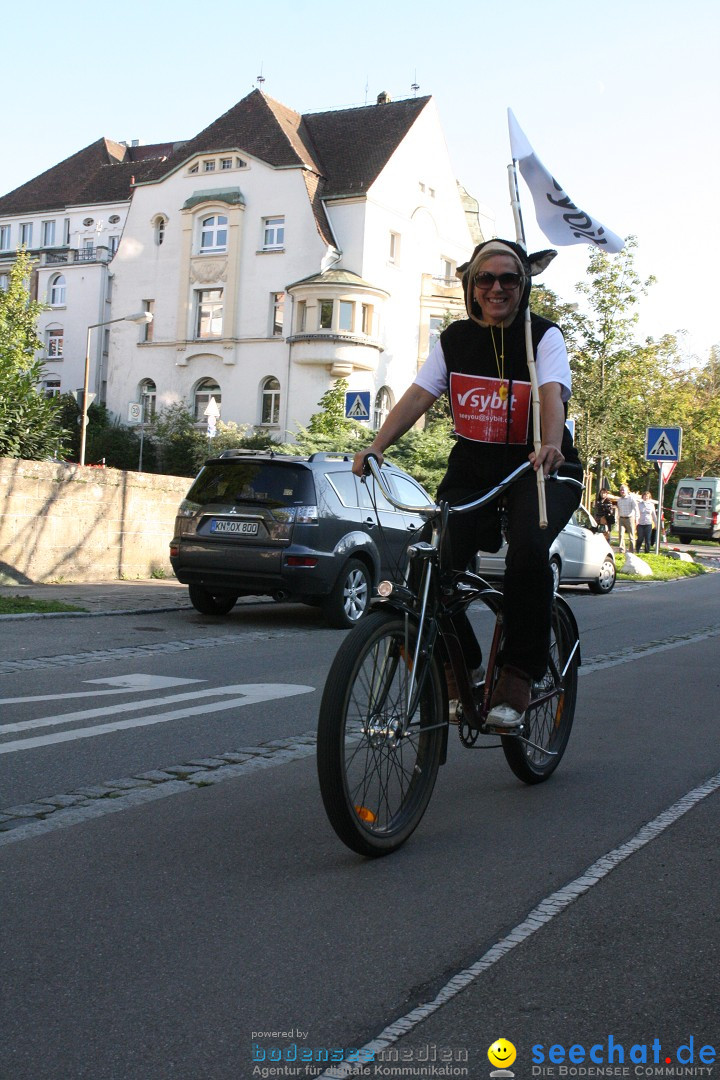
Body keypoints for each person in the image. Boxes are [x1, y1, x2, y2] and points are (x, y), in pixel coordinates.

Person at [353, 238, 583, 730]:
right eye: (486, 278)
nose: (497, 287)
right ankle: (464, 667)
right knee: (431, 561)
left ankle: (519, 673)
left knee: (528, 548)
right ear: (471, 287)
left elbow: (552, 393)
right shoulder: (455, 339)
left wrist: (549, 442)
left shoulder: (542, 336)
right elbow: (419, 395)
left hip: (540, 468)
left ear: (523, 286)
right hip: (475, 470)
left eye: (509, 279)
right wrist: (377, 445)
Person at [615, 484, 639, 553]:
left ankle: (631, 551)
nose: (622, 491)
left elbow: (636, 508)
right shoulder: (619, 500)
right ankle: (622, 551)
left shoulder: (631, 498)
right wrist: (618, 518)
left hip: (630, 518)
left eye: (623, 490)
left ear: (627, 490)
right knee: (621, 535)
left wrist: (637, 518)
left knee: (631, 536)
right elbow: (619, 509)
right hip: (622, 519)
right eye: (621, 490)